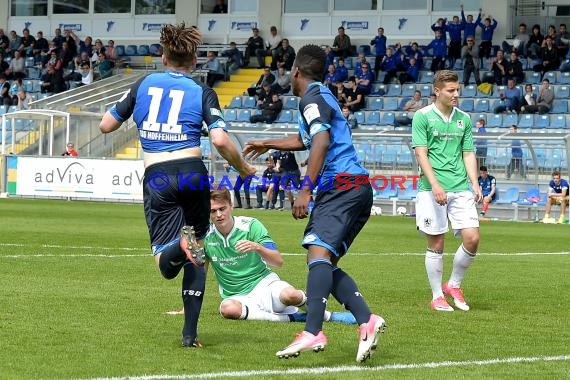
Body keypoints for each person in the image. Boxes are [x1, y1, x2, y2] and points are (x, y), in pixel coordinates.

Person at [98, 23, 255, 349]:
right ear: (194, 59)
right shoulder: (201, 90)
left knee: (166, 265)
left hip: (158, 175)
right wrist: (243, 167)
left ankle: (180, 248)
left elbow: (106, 125)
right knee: (198, 249)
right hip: (192, 171)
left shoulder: (144, 84)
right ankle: (189, 335)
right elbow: (220, 139)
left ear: (163, 55)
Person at [243, 44, 385, 362]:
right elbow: (306, 139)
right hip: (356, 188)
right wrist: (267, 141)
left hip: (341, 185)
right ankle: (367, 320)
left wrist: (306, 190)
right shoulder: (322, 96)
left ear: (296, 72)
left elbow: (320, 141)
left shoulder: (311, 98)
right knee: (324, 263)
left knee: (317, 254)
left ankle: (312, 331)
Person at [412, 70, 483, 313]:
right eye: (451, 90)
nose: (456, 94)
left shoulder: (464, 118)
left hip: (461, 186)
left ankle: (453, 284)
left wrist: (475, 182)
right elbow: (421, 153)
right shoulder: (422, 117)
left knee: (472, 238)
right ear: (437, 91)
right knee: (437, 242)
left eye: (457, 90)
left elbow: (468, 153)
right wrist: (435, 184)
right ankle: (436, 296)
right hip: (432, 188)